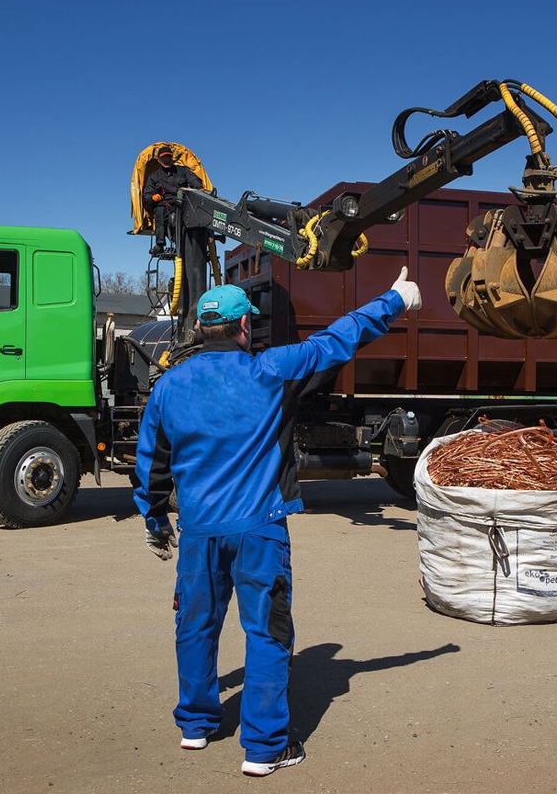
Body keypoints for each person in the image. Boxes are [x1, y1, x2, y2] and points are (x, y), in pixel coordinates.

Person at [133, 269, 422, 777]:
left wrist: (155, 519)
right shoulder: (270, 370)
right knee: (267, 633)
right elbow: (338, 339)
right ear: (245, 325)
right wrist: (394, 300)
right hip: (258, 529)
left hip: (199, 532)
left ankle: (196, 726)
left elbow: (150, 462)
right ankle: (266, 749)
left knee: (195, 625)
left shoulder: (169, 385)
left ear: (202, 328)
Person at [142, 145, 203, 256]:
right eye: (163, 158)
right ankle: (160, 244)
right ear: (159, 161)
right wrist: (152, 197)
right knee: (160, 211)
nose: (166, 161)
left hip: (183, 203)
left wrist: (199, 188)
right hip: (165, 205)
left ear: (172, 158)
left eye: (168, 158)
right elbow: (147, 195)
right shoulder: (154, 177)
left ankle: (197, 243)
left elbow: (194, 180)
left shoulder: (183, 171)